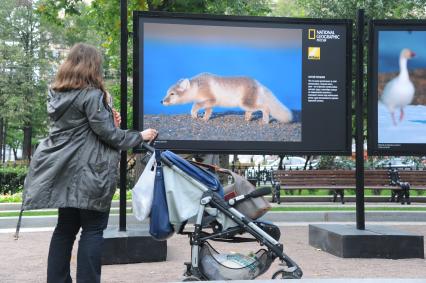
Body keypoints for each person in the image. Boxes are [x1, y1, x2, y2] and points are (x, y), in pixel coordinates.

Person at [19, 43, 157, 283]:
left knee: (64, 230)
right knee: (92, 231)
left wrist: (108, 116)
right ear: (93, 66)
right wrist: (139, 135)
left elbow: (83, 130)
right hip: (92, 174)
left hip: (65, 173)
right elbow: (110, 136)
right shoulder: (92, 95)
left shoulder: (56, 96)